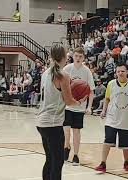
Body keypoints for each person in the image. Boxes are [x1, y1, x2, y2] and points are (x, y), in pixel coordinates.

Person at [37, 44, 86, 180]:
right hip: (52, 123)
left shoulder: (46, 72)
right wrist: (80, 101)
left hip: (41, 121)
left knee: (50, 160)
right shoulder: (62, 74)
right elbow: (69, 101)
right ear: (64, 56)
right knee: (57, 162)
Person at [95, 63, 128, 173]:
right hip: (112, 118)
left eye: (122, 71)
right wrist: (104, 110)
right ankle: (103, 163)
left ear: (127, 72)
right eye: (118, 71)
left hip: (126, 119)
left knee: (126, 145)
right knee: (107, 140)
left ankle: (126, 162)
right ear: (116, 73)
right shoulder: (111, 84)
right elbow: (107, 99)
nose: (120, 73)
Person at [63, 47, 95, 165]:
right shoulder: (67, 69)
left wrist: (89, 107)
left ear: (83, 58)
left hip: (80, 106)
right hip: (67, 105)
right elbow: (61, 87)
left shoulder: (86, 71)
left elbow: (91, 91)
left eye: (80, 57)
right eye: (76, 56)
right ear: (73, 56)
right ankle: (66, 147)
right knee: (66, 130)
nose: (78, 58)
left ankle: (76, 155)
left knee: (76, 131)